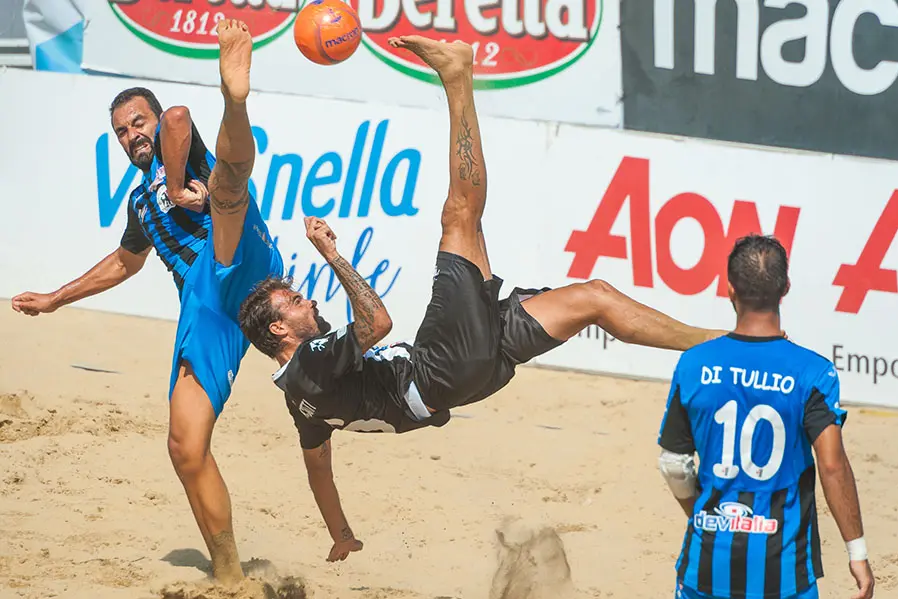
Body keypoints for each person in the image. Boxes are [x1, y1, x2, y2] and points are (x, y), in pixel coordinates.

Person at [236, 35, 727, 563]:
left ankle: (722, 344)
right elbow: (376, 322)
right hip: (440, 367)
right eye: (292, 300)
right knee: (460, 215)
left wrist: (340, 533)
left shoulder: (299, 397)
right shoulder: (311, 361)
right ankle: (456, 76)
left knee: (595, 297)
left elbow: (318, 469)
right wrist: (331, 253)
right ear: (278, 331)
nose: (305, 299)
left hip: (463, 379)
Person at [10, 19, 283, 585]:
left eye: (139, 121)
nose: (132, 133)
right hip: (208, 308)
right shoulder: (140, 203)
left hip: (239, 259)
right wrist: (56, 299)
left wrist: (182, 184)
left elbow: (180, 119)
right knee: (185, 448)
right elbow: (125, 263)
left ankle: (236, 100)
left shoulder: (175, 151)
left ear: (154, 123)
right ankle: (230, 575)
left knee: (228, 189)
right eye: (121, 131)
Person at [656, 234, 875, 599]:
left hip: (705, 567)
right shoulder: (813, 373)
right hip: (783, 573)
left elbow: (674, 464)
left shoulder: (694, 363)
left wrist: (701, 514)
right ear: (785, 288)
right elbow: (832, 466)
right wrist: (858, 553)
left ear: (729, 290)